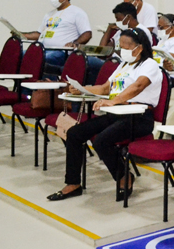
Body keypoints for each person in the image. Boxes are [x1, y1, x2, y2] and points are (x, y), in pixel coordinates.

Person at [46, 29, 162, 202]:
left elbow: (138, 86)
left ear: (139, 47)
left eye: (126, 46)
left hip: (138, 117)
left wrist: (115, 100)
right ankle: (73, 183)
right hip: (116, 113)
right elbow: (104, 88)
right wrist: (82, 89)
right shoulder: (123, 65)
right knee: (74, 134)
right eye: (120, 45)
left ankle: (124, 176)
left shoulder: (149, 65)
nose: (122, 49)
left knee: (101, 140)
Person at [20, 0, 92, 72]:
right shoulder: (49, 14)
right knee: (20, 55)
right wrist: (20, 34)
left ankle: (46, 83)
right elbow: (39, 34)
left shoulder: (77, 12)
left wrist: (75, 43)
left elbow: (87, 33)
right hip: (42, 49)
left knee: (39, 59)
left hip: (61, 52)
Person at [89, 2, 152, 83]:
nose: (116, 21)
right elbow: (102, 49)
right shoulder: (120, 31)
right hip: (113, 62)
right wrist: (109, 29)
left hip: (125, 64)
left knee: (89, 61)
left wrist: (114, 51)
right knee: (87, 61)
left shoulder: (142, 31)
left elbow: (139, 54)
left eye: (118, 18)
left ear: (128, 17)